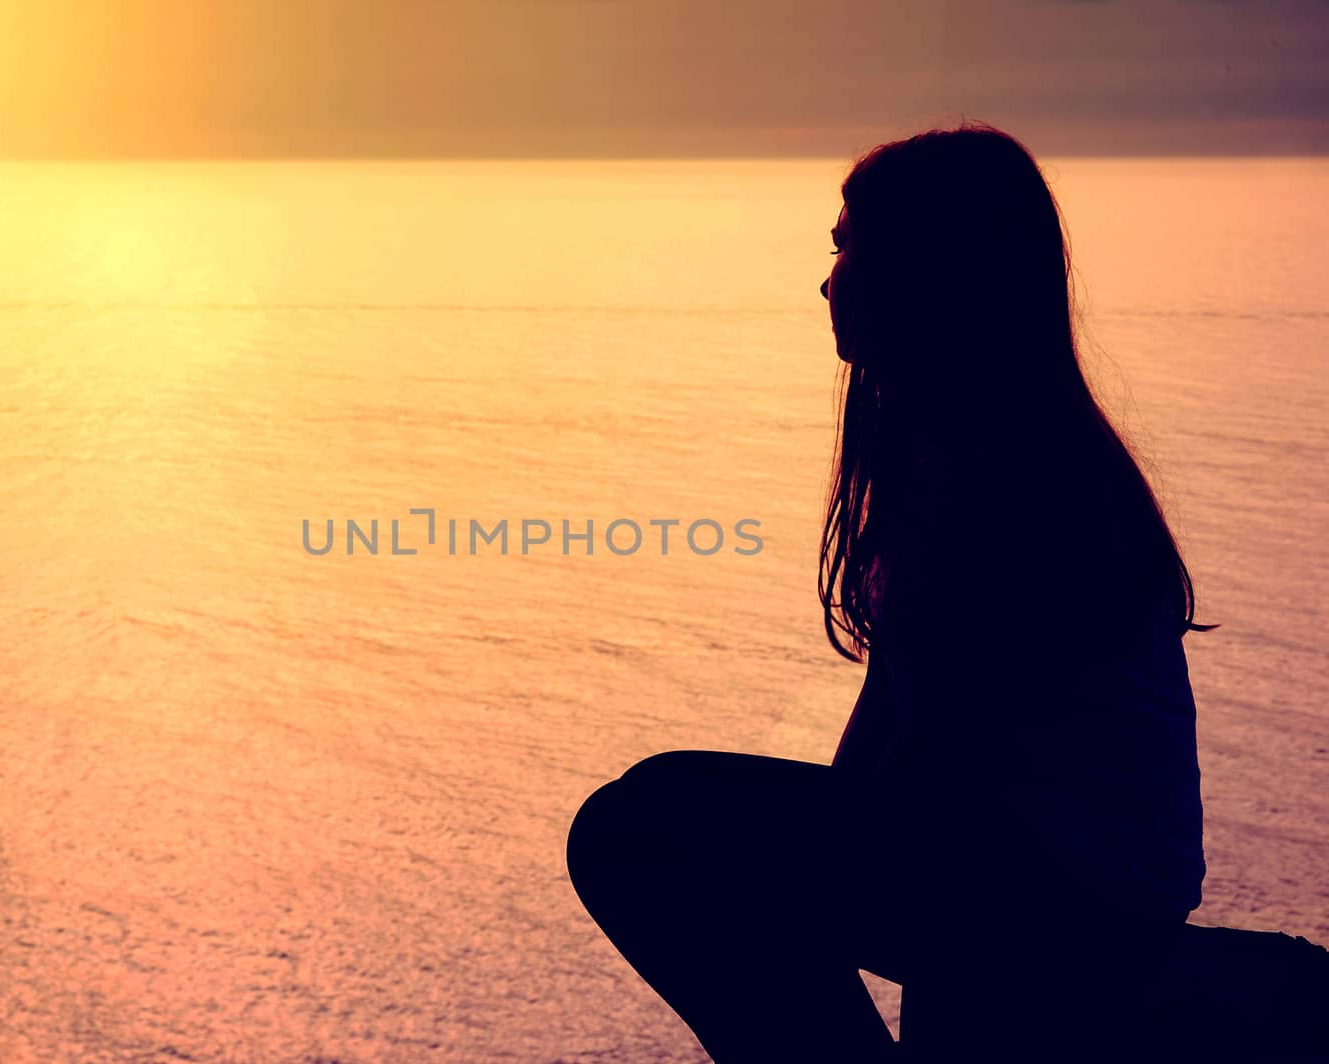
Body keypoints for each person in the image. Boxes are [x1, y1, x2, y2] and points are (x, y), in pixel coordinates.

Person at [564, 122, 1329, 1062]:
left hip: (1073, 901)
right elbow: (893, 730)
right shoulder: (952, 462)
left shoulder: (1012, 484)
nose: (827, 278)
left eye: (849, 246)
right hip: (1039, 876)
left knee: (641, 826)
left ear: (931, 274)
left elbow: (960, 772)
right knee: (656, 817)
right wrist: (820, 864)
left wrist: (813, 874)